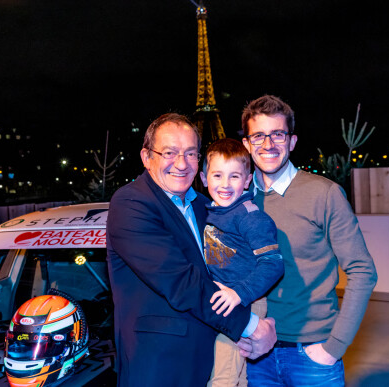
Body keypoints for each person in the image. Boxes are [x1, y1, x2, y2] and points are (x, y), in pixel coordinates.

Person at [106, 113, 277, 387]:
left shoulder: (204, 206)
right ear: (146, 157)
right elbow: (180, 281)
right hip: (160, 365)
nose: (181, 164)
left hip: (210, 356)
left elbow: (234, 268)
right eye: (169, 152)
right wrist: (252, 327)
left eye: (191, 153)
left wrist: (246, 334)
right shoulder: (131, 203)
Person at [237, 95, 378, 386]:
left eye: (277, 134)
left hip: (312, 357)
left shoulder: (324, 194)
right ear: (246, 145)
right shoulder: (238, 199)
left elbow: (363, 271)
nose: (268, 144)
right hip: (254, 356)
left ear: (292, 141)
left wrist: (333, 348)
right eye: (259, 136)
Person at [199, 138, 285, 386]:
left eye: (234, 177)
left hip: (247, 301)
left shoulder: (251, 217)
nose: (225, 185)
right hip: (224, 299)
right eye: (217, 176)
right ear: (204, 179)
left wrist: (239, 294)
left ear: (247, 181)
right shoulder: (212, 212)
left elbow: (272, 263)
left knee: (223, 376)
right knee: (237, 374)